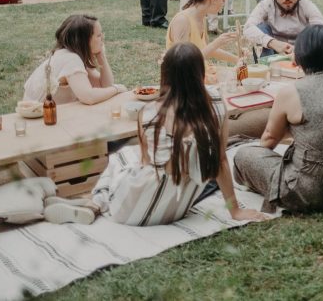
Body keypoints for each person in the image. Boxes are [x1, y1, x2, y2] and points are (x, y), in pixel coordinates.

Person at [91, 42, 269, 226]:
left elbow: (145, 162)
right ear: (200, 72)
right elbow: (221, 160)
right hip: (176, 208)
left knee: (120, 157)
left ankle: (95, 204)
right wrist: (235, 211)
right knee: (132, 159)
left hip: (131, 211)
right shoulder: (215, 103)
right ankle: (95, 202)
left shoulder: (150, 113)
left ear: (165, 74)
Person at [233, 25, 323, 213]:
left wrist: (259, 159)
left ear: (301, 54)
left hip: (310, 191)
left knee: (243, 155)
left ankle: (260, 185)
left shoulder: (292, 91)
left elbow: (270, 139)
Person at [22, 14, 127, 105]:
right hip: (37, 119)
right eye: (99, 35)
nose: (103, 38)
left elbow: (104, 86)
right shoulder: (70, 59)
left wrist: (101, 56)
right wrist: (117, 89)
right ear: (85, 40)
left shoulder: (71, 55)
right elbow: (88, 97)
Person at [243, 0, 323, 55]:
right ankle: (266, 66)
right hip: (273, 51)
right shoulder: (266, 5)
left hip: (303, 53)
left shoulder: (306, 5)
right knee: (261, 27)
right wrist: (272, 43)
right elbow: (247, 28)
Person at [167, 0, 239, 73]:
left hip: (201, 73)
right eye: (223, 0)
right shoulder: (182, 20)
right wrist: (215, 44)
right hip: (186, 82)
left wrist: (238, 59)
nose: (224, 4)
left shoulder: (201, 17)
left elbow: (206, 50)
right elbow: (183, 63)